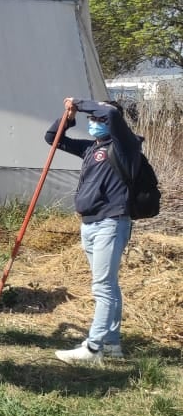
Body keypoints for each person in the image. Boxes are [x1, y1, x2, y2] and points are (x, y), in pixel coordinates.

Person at [47, 98, 140, 364]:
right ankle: (112, 345)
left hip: (111, 223)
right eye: (92, 119)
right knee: (108, 286)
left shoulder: (125, 145)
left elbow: (110, 112)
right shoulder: (91, 148)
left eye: (98, 119)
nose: (94, 122)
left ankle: (93, 347)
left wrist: (80, 102)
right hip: (89, 223)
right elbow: (52, 137)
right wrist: (70, 115)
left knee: (103, 288)